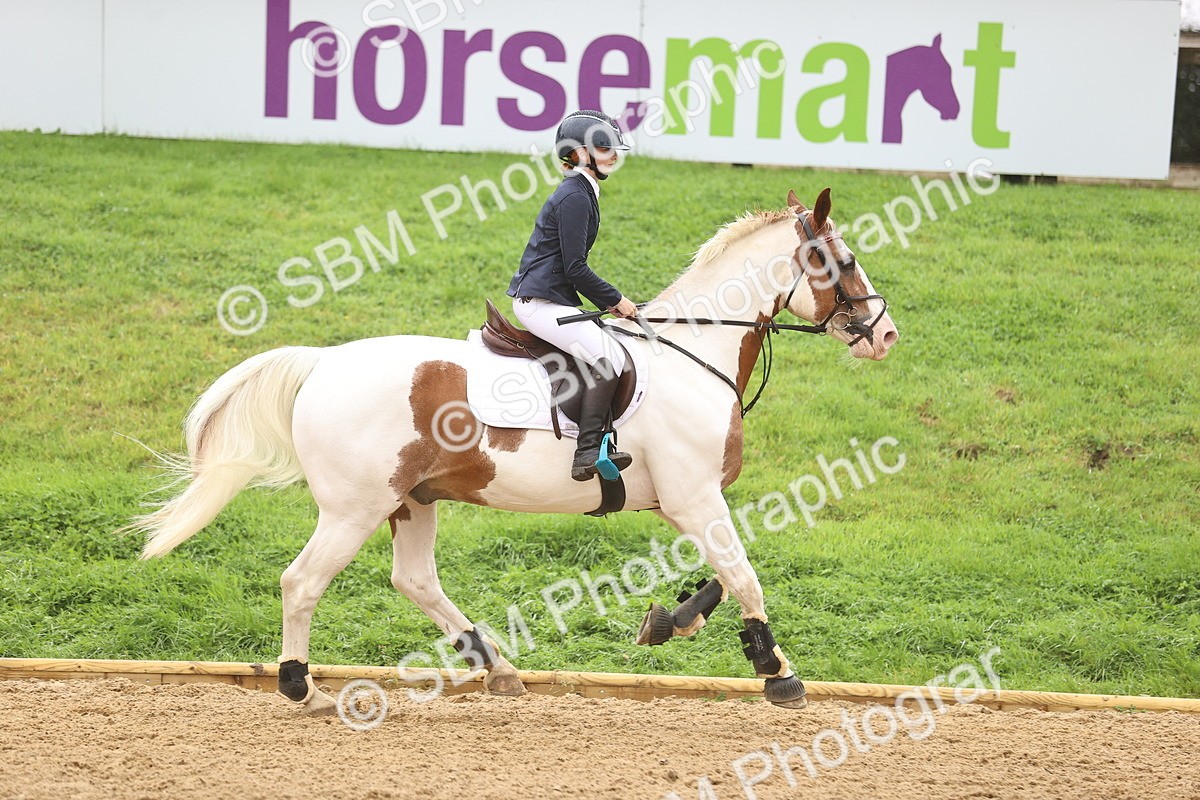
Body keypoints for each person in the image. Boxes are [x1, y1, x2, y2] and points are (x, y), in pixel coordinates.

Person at [506, 110, 638, 481]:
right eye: (603, 148)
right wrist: (616, 300)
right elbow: (574, 269)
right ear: (579, 154)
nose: (613, 155)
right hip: (538, 303)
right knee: (608, 357)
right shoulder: (575, 197)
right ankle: (586, 453)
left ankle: (602, 442)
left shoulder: (582, 191)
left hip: (552, 297)